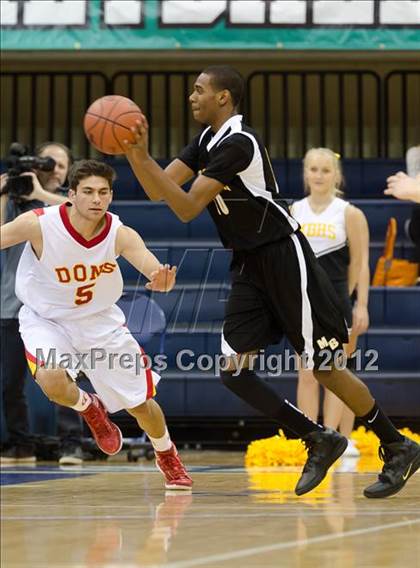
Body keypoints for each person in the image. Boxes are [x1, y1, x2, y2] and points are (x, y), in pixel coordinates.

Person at [124, 65, 420, 498]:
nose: (191, 96)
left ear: (224, 98)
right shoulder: (206, 140)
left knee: (324, 367)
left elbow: (185, 207)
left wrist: (143, 156)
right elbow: (160, 189)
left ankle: (397, 446)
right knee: (232, 372)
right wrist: (135, 154)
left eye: (199, 90)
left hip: (283, 255)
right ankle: (319, 437)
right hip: (248, 262)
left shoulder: (239, 143)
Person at [0, 159, 192, 490]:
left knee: (140, 405)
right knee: (51, 380)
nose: (96, 199)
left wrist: (162, 280)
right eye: (87, 192)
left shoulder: (119, 233)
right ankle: (90, 407)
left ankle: (167, 454)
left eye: (103, 192)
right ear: (71, 195)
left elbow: (152, 269)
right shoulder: (38, 224)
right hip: (46, 319)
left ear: (111, 196)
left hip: (99, 322)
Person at [0, 142, 85, 465]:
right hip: (12, 303)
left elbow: (81, 217)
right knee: (10, 383)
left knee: (62, 376)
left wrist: (42, 193)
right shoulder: (18, 202)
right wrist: (6, 193)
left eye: (59, 164)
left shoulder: (69, 203)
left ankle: (71, 443)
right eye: (48, 162)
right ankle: (20, 443)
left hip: (55, 308)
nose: (53, 169)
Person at [291, 148, 370, 458]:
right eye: (313, 169)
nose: (319, 175)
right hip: (303, 304)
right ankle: (313, 440)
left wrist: (360, 304)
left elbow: (361, 264)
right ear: (305, 173)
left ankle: (336, 439)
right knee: (306, 373)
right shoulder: (294, 211)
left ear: (336, 175)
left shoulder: (349, 212)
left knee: (336, 374)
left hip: (338, 301)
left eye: (325, 170)